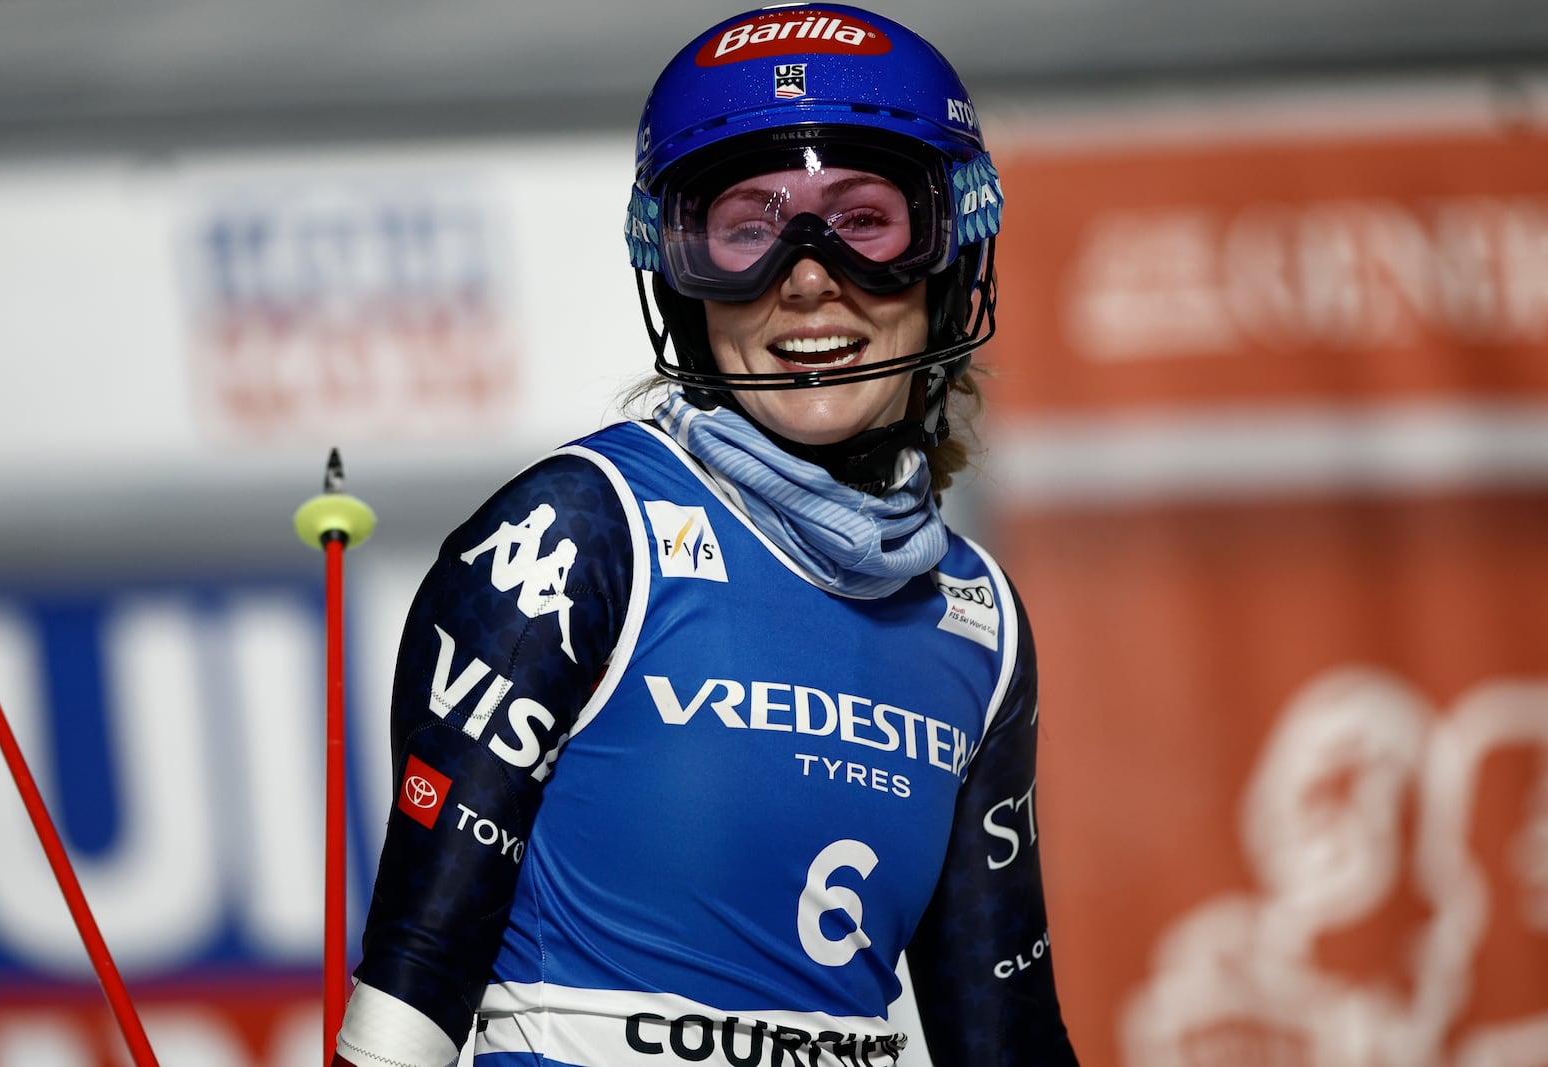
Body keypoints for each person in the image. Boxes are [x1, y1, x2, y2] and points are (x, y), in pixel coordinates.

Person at [332, 4, 1079, 1065]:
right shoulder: (583, 530)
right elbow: (412, 980)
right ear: (679, 278)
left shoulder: (978, 617)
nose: (810, 274)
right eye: (745, 229)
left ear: (951, 256)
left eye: (865, 220)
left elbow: (1006, 1036)